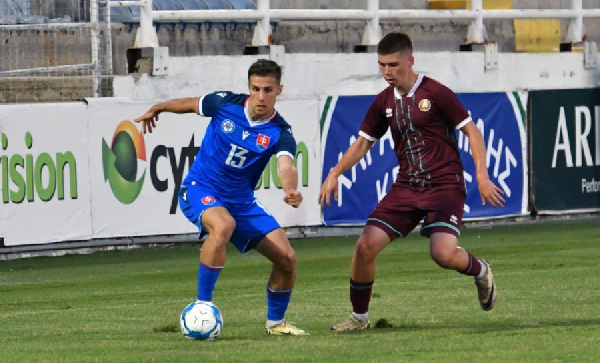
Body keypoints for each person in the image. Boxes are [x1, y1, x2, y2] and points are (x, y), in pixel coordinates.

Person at [319, 32, 505, 331]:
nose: (387, 72)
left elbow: (473, 132)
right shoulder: (383, 102)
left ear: (410, 60)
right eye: (382, 65)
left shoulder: (436, 93)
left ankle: (481, 270)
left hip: (445, 185)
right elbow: (363, 144)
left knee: (442, 255)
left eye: (393, 65)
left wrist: (482, 176)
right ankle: (359, 319)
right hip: (407, 187)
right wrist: (334, 172)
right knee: (365, 246)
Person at [135, 59, 309, 336]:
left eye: (268, 90)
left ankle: (276, 324)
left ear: (279, 90)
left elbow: (286, 165)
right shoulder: (225, 103)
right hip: (200, 188)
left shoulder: (280, 132)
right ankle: (203, 304)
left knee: (287, 258)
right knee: (223, 224)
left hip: (241, 201)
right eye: (256, 89)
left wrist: (290, 190)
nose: (261, 97)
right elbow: (191, 103)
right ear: (249, 87)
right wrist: (158, 108)